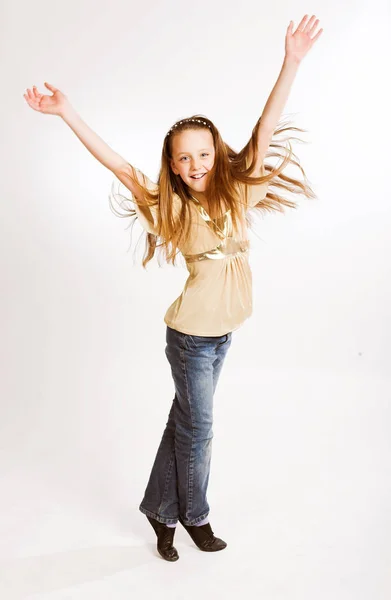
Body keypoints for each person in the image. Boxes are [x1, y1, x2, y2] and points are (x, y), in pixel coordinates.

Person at [24, 14, 323, 562]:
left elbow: (265, 127)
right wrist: (67, 112)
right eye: (183, 158)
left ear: (217, 151)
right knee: (200, 430)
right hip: (189, 338)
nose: (195, 165)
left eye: (204, 154)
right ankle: (195, 516)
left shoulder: (238, 196)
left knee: (183, 422)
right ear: (173, 163)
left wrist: (293, 61)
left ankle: (158, 511)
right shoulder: (171, 210)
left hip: (222, 335)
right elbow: (119, 167)